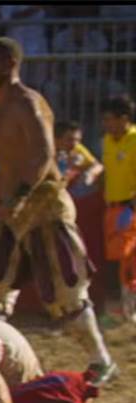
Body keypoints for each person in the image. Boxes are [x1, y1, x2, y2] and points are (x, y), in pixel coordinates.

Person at [0, 37, 116, 386]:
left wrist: (20, 198)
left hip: (44, 204)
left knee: (66, 293)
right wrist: (10, 203)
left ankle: (101, 360)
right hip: (12, 209)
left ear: (10, 63)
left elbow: (42, 155)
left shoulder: (27, 102)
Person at [101, 95, 136, 322]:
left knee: (125, 258)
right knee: (120, 259)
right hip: (112, 209)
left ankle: (125, 309)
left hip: (129, 208)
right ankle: (125, 310)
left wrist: (132, 208)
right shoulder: (107, 141)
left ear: (124, 119)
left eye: (109, 119)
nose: (106, 124)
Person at [54, 119, 102, 196]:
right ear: (56, 139)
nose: (75, 144)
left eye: (78, 140)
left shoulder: (77, 148)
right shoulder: (45, 150)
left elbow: (98, 166)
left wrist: (89, 174)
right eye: (70, 139)